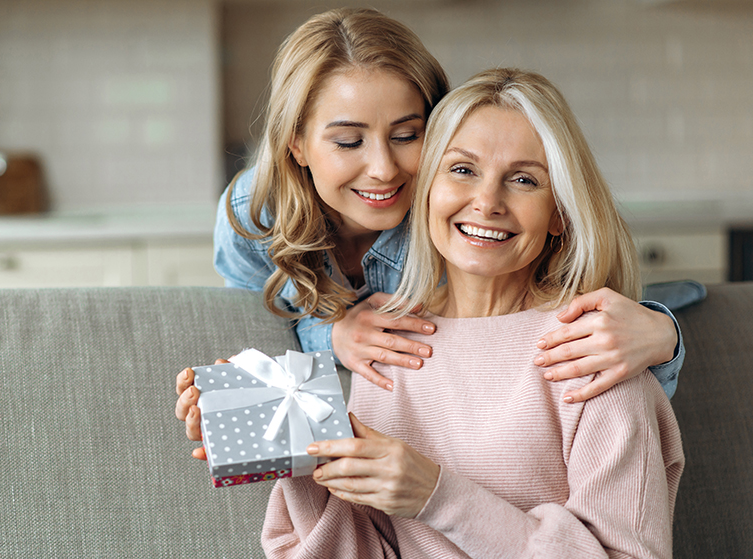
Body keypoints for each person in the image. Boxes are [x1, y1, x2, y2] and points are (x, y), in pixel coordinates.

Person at [260, 68, 685, 559]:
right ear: (425, 190)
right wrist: (294, 456)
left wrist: (436, 497)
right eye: (462, 170)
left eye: (524, 180)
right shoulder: (389, 342)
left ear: (559, 214)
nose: (486, 202)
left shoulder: (595, 352)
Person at [211, 7, 683, 403]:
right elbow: (254, 325)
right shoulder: (253, 215)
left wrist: (665, 335)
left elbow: (549, 315)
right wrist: (328, 337)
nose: (382, 168)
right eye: (349, 141)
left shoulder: (457, 219)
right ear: (297, 144)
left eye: (406, 136)